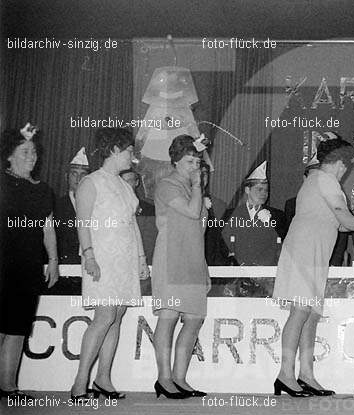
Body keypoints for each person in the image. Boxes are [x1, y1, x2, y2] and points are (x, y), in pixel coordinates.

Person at [272, 132, 354, 397]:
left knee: (310, 315)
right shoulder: (326, 181)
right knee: (300, 312)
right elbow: (347, 223)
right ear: (339, 162)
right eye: (345, 164)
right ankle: (285, 374)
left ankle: (306, 374)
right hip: (304, 253)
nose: (345, 169)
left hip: (313, 253)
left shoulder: (316, 181)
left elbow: (339, 225)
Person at [70, 128, 149, 401]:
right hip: (102, 259)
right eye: (129, 150)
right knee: (104, 316)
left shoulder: (125, 186)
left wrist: (141, 259)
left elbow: (133, 225)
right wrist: (88, 255)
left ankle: (103, 378)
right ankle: (80, 383)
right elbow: (83, 222)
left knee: (117, 316)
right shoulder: (91, 182)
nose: (132, 156)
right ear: (114, 150)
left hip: (124, 259)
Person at [0, 124, 59, 400]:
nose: (31, 156)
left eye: (34, 151)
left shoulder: (43, 190)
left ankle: (8, 387)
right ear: (9, 156)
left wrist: (54, 261)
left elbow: (48, 227)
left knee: (17, 326)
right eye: (24, 151)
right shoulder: (2, 182)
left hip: (28, 265)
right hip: (3, 262)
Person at [152, 135, 210, 399]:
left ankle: (179, 377)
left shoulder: (194, 189)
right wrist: (198, 187)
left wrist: (204, 268)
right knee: (169, 316)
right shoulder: (167, 185)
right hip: (171, 259)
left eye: (197, 162)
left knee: (195, 319)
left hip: (193, 261)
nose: (194, 167)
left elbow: (199, 233)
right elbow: (191, 212)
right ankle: (164, 378)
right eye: (189, 161)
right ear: (175, 161)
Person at [221, 161, 287, 266]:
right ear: (247, 190)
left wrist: (269, 223)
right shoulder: (231, 215)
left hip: (265, 273)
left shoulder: (277, 215)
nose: (263, 194)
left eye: (266, 190)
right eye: (259, 189)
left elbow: (280, 247)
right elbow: (223, 247)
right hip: (238, 273)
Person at [55, 147, 90, 264]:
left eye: (83, 174)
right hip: (65, 265)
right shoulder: (56, 205)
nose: (78, 179)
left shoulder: (97, 205)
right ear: (66, 177)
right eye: (74, 174)